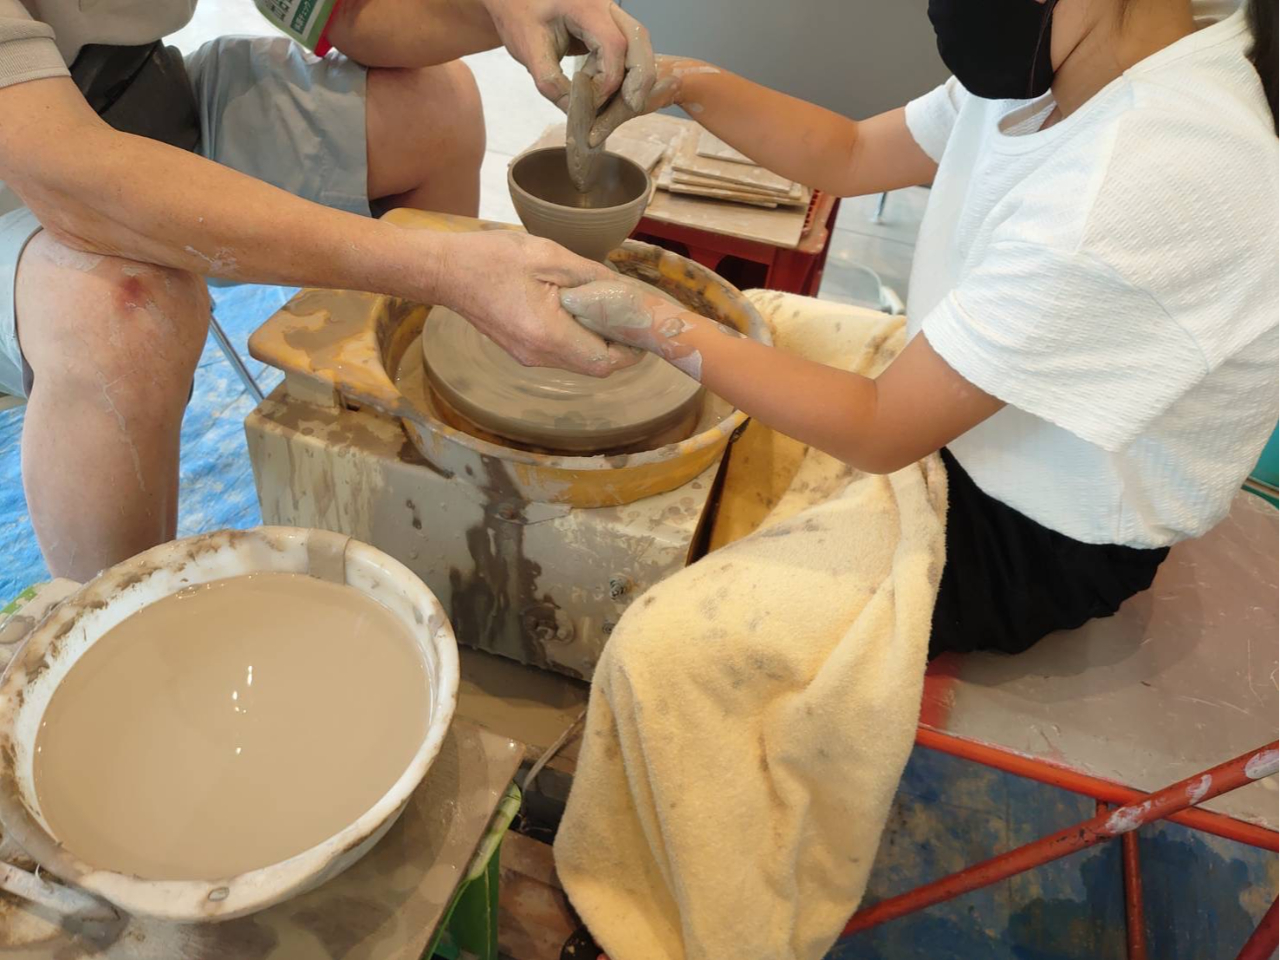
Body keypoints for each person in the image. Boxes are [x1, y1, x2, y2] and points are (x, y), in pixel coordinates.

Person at [564, 0, 1280, 657]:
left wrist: (652, 321)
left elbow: (882, 430)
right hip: (971, 418)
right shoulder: (1079, 60)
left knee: (662, 648)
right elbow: (849, 154)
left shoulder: (1142, 175)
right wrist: (686, 84)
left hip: (1030, 533)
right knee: (756, 324)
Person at [0, 0, 654, 582]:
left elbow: (349, 14)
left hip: (142, 95)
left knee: (439, 109)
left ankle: (399, 439)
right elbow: (77, 180)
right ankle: (110, 639)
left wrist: (505, 11)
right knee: (126, 313)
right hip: (25, 174)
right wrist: (440, 267)